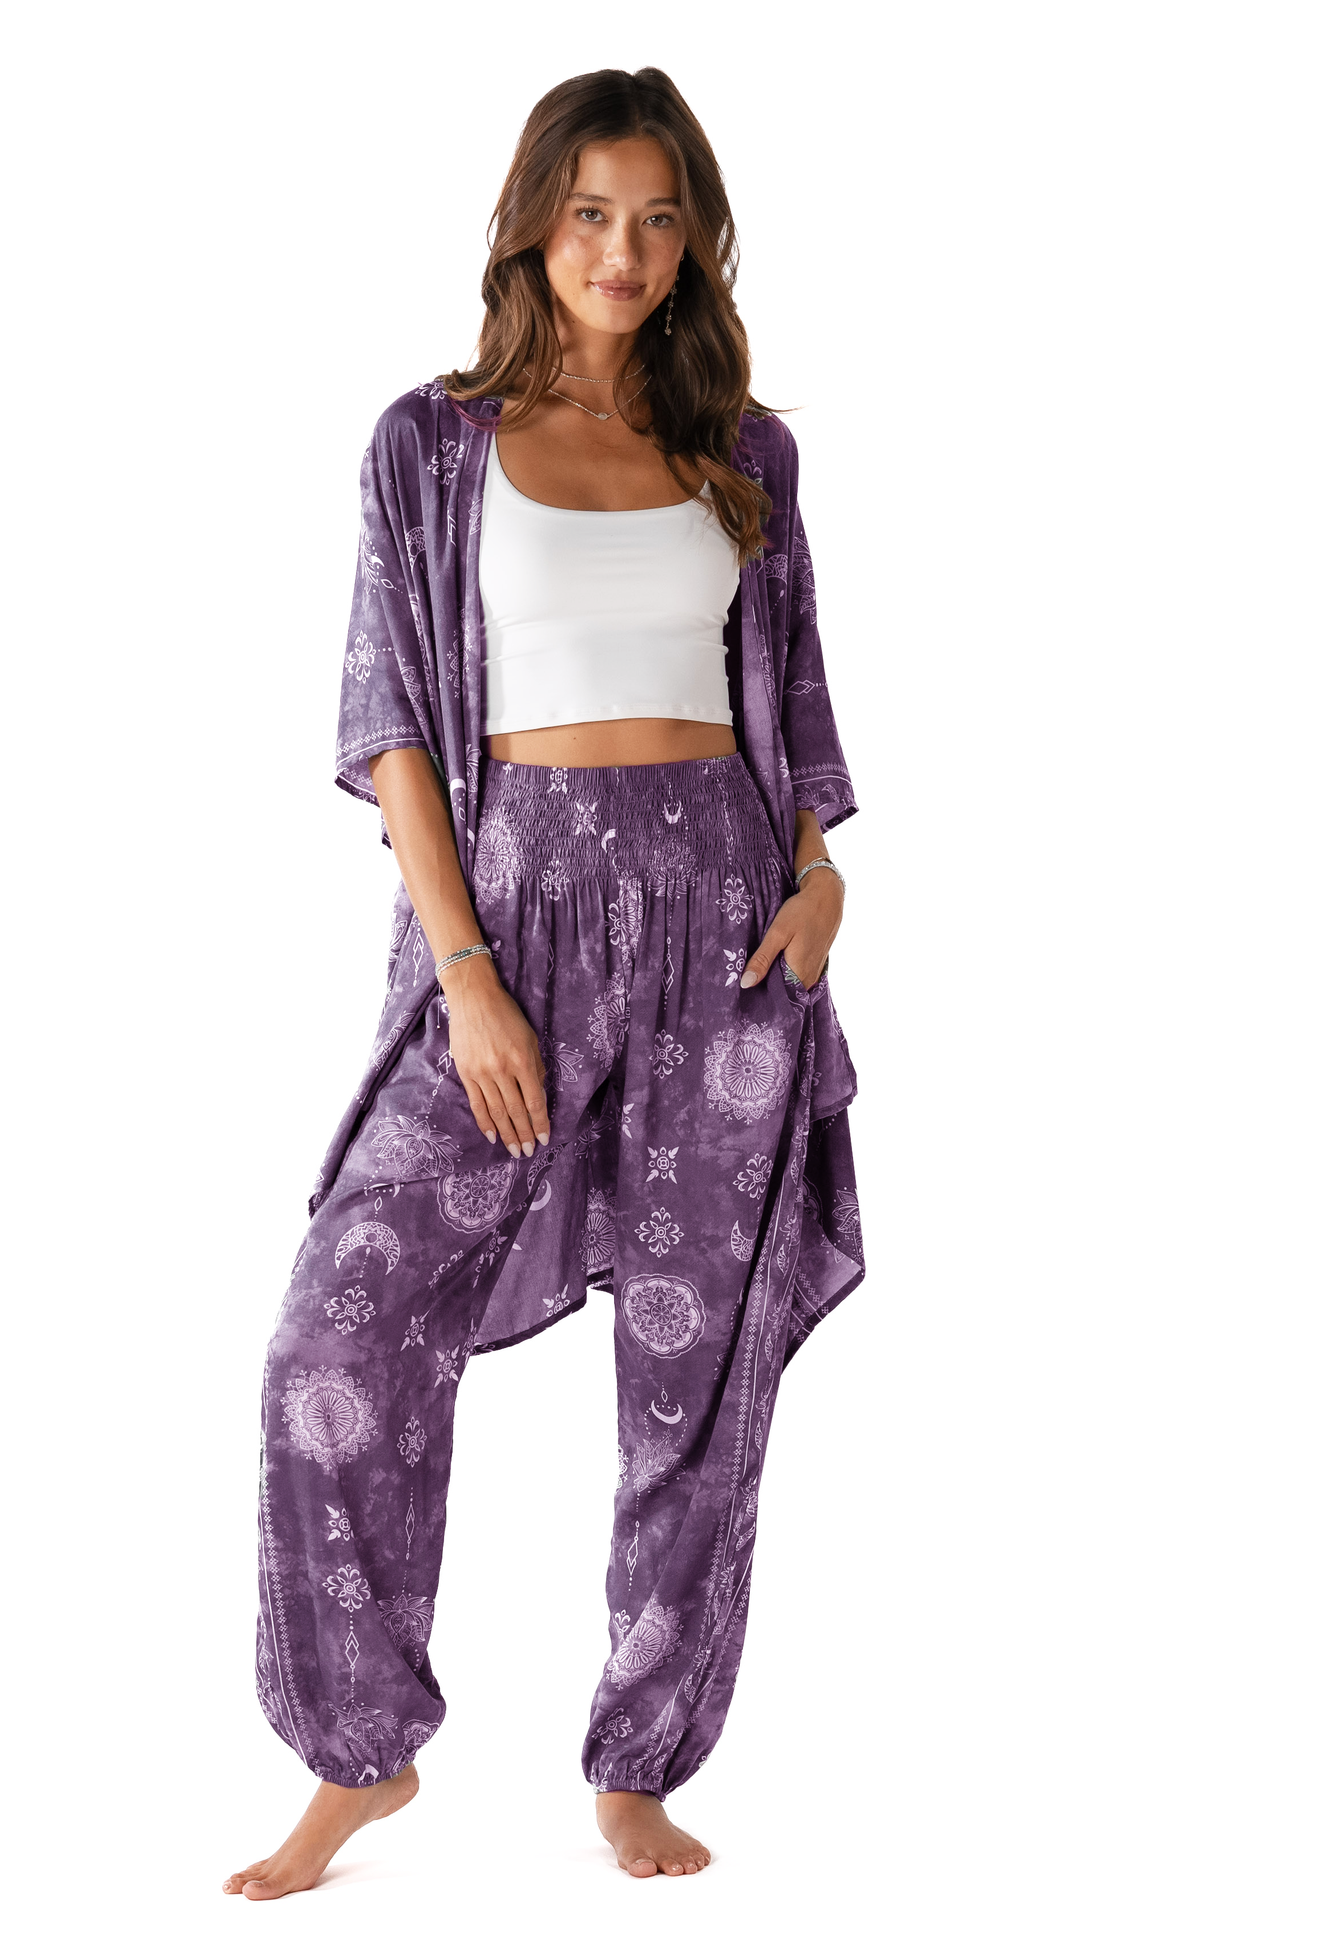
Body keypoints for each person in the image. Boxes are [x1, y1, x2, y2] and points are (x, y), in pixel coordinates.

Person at [226, 67, 865, 1899]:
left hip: (728, 936)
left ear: (695, 241)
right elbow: (393, 724)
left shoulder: (745, 452)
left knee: (694, 1371)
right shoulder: (428, 444)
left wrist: (823, 878)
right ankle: (360, 1750)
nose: (622, 251)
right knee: (336, 1333)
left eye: (657, 219)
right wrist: (464, 972)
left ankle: (638, 1762)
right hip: (506, 927)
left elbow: (791, 700)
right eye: (591, 213)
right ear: (533, 224)